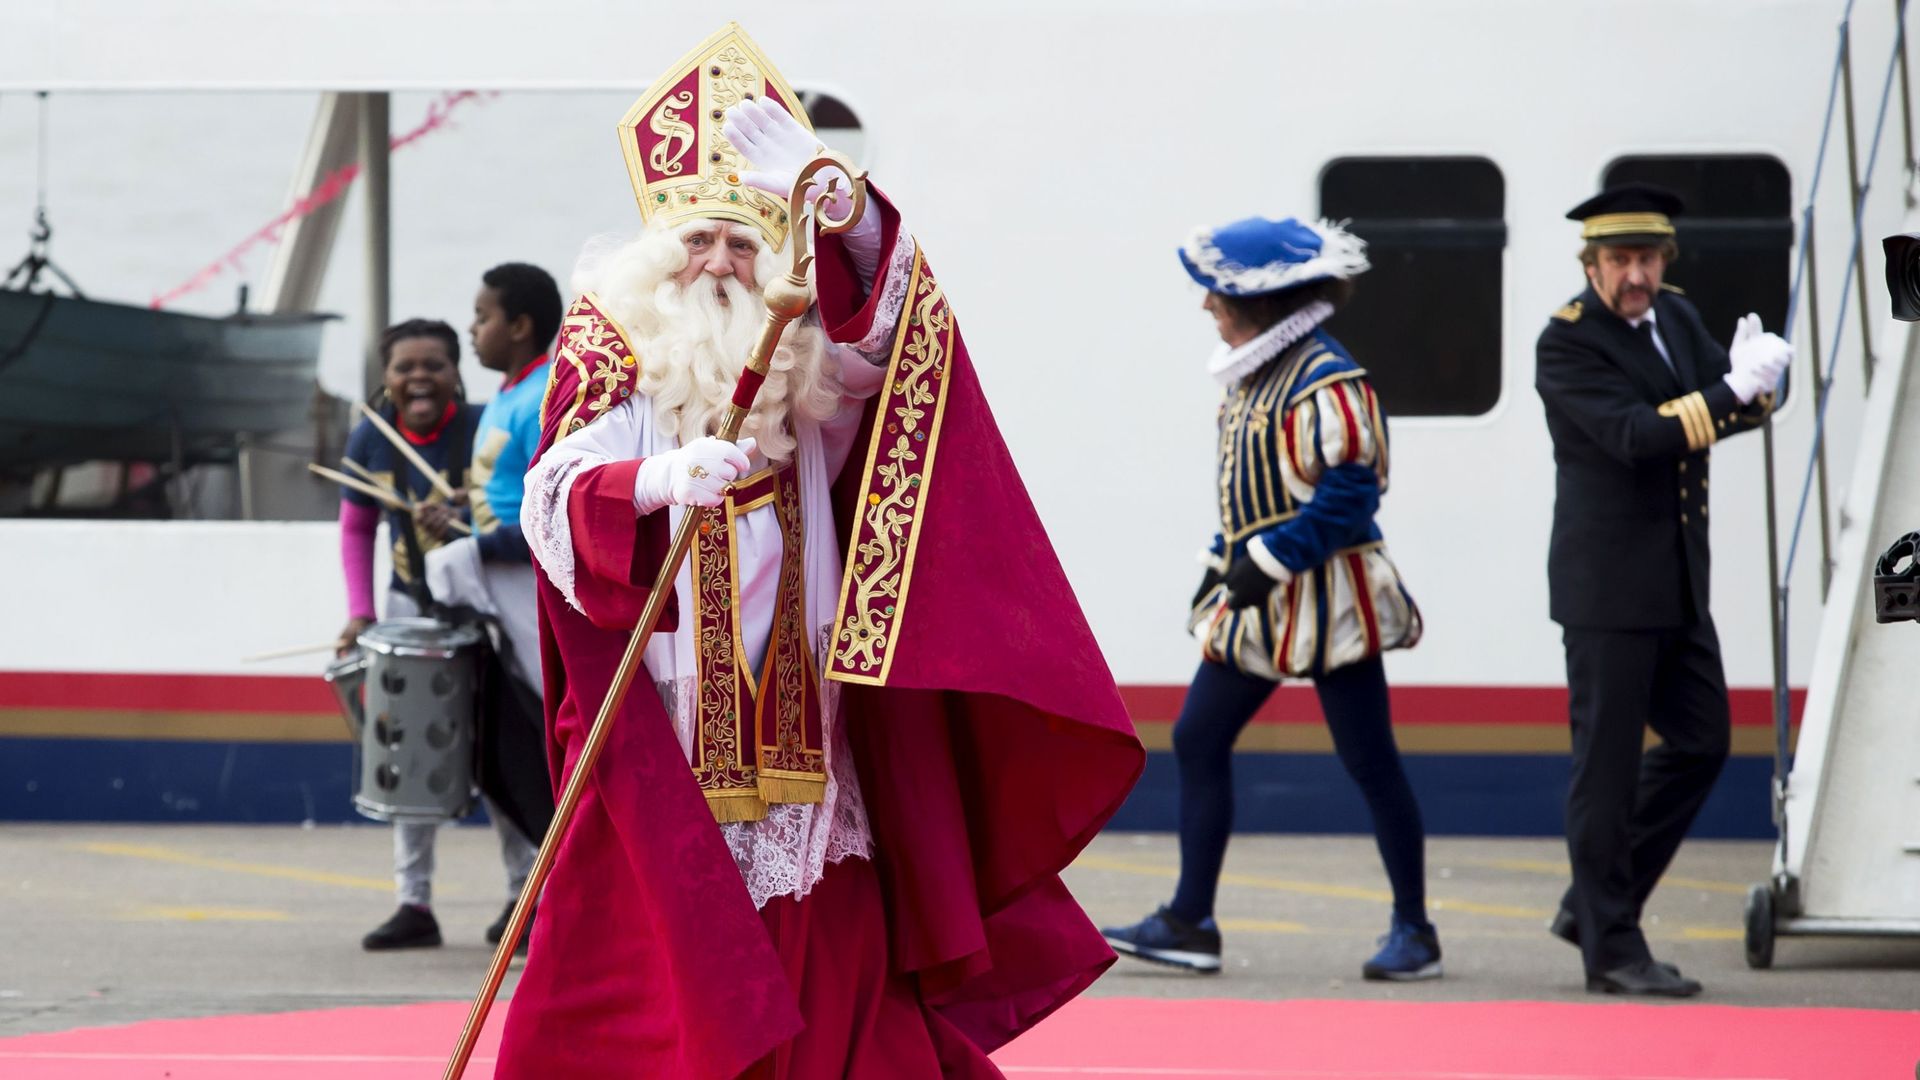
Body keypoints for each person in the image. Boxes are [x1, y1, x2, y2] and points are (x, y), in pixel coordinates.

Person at [493, 23, 1143, 1079]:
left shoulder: (804, 366)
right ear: (660, 256)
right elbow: (552, 497)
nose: (717, 264)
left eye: (743, 245)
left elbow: (902, 341)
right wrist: (658, 480)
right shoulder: (618, 350)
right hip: (669, 709)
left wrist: (843, 209)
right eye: (699, 241)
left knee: (828, 946)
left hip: (805, 702)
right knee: (651, 959)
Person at [1100, 217, 1438, 982]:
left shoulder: (1327, 378)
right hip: (1261, 595)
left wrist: (1272, 558)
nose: (1206, 307)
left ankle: (1416, 931)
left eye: (1216, 294)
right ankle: (1191, 921)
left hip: (1330, 599)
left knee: (1369, 760)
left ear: (1259, 301)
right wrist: (1221, 563)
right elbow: (1249, 491)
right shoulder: (1258, 372)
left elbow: (1352, 494)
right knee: (1198, 737)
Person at [1534, 183, 1791, 997]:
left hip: (1677, 577)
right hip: (1609, 588)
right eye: (1620, 260)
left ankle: (1591, 906)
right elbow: (1638, 435)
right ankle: (1611, 947)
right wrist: (1733, 390)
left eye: (1647, 258)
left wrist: (1759, 385)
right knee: (1605, 770)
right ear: (1592, 265)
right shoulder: (1568, 343)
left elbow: (1730, 407)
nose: (1636, 275)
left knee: (1703, 741)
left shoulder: (1675, 315)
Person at [331, 318, 537, 952]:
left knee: (502, 751)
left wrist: (460, 518)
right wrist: (361, 612)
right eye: (404, 367)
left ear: (455, 373)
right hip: (408, 606)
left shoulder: (482, 428)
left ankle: (525, 896)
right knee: (407, 754)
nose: (419, 377)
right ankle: (413, 902)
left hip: (480, 607)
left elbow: (507, 507)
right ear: (387, 377)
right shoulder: (371, 437)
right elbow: (356, 529)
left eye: (434, 365)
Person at [411, 263, 566, 949]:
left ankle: (557, 892)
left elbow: (550, 511)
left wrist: (479, 543)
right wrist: (459, 516)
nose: (473, 330)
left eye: (482, 318)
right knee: (497, 749)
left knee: (532, 742)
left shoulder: (544, 397)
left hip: (525, 598)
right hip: (490, 592)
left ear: (520, 326)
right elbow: (497, 497)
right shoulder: (504, 395)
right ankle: (537, 889)